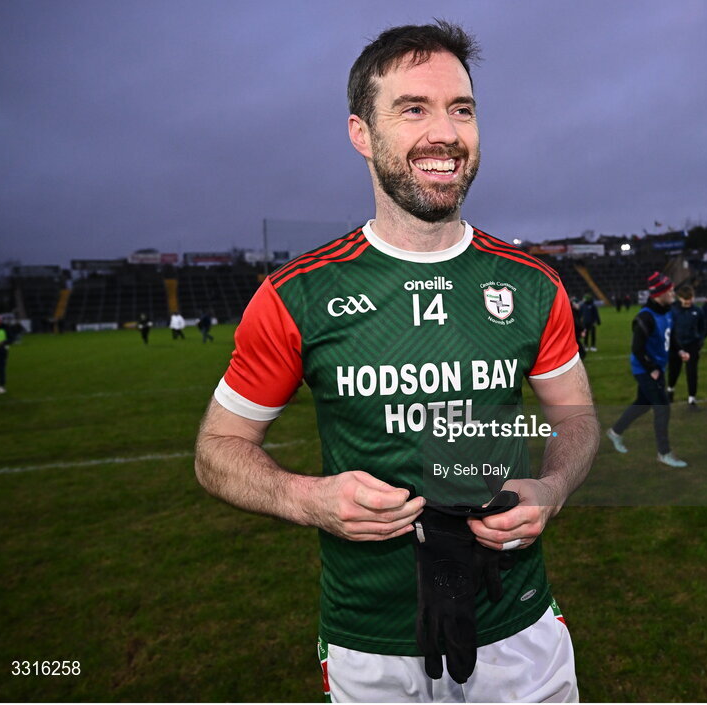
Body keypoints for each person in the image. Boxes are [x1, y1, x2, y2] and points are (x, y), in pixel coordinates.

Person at [194, 22, 597, 703]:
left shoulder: (531, 283)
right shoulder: (300, 295)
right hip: (370, 639)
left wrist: (552, 489)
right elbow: (216, 450)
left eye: (461, 109)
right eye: (414, 108)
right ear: (361, 133)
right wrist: (309, 498)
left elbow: (576, 419)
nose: (444, 133)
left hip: (518, 623)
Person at [605, 272, 689, 467]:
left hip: (657, 366)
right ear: (660, 293)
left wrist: (680, 350)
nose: (674, 294)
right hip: (646, 369)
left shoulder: (667, 310)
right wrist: (651, 368)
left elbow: (671, 335)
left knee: (643, 403)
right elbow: (637, 348)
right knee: (662, 408)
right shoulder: (645, 317)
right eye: (670, 291)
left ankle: (615, 432)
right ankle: (664, 452)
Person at [666, 284, 705, 410]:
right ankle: (670, 390)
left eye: (690, 299)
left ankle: (692, 400)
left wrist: (700, 341)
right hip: (676, 346)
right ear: (679, 298)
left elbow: (702, 327)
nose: (688, 302)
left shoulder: (698, 311)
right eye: (685, 299)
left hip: (692, 345)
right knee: (674, 370)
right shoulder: (672, 310)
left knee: (692, 372)